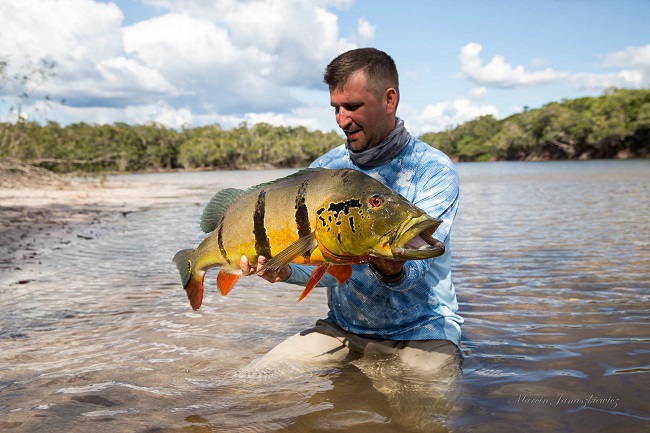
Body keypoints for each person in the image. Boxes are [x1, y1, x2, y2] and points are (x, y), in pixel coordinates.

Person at [240, 48, 462, 377]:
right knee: (251, 382)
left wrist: (390, 266)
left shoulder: (432, 170)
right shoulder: (324, 171)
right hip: (342, 331)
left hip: (422, 333)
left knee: (421, 416)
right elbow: (328, 269)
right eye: (336, 108)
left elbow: (412, 273)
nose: (342, 119)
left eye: (353, 106)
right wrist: (285, 271)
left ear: (389, 100)